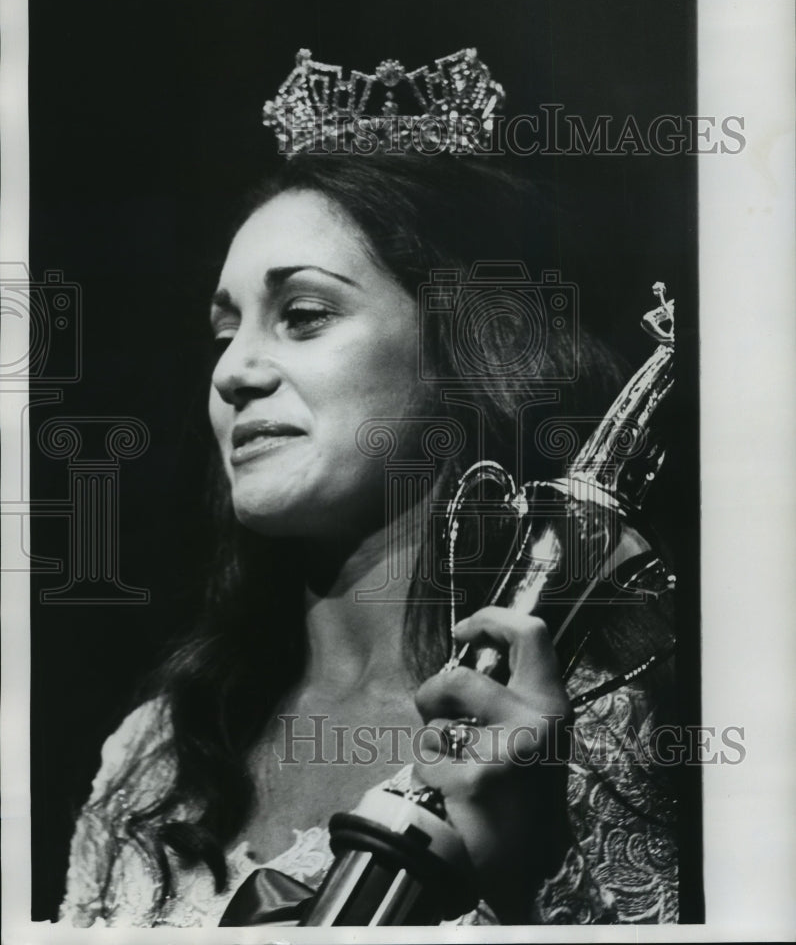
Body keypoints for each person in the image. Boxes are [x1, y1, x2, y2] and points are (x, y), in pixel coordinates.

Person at [59, 51, 678, 927]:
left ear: (464, 348)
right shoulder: (159, 750)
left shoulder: (587, 728)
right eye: (223, 331)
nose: (234, 371)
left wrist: (520, 881)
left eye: (303, 316)